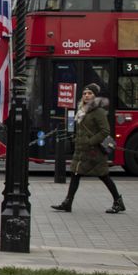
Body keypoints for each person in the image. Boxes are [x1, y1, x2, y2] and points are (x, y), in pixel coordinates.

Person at [51, 83, 125, 214]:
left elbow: (105, 131)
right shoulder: (82, 110)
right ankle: (67, 203)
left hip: (93, 151)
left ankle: (118, 201)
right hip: (81, 150)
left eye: (90, 93)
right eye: (85, 93)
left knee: (104, 176)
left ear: (95, 96)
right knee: (75, 174)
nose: (86, 95)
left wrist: (90, 142)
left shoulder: (98, 112)